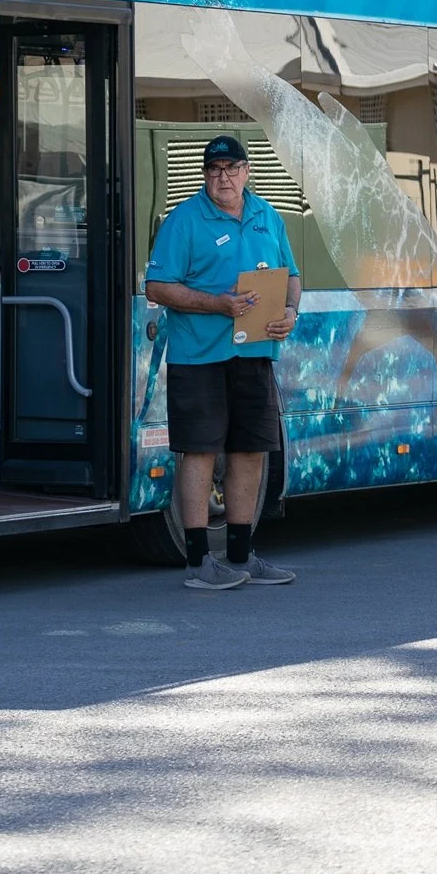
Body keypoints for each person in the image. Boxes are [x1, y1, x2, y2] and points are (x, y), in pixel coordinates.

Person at [145, 135, 301, 591]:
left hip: (254, 353)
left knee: (250, 451)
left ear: (247, 171)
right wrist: (218, 305)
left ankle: (240, 555)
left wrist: (291, 313)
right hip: (199, 356)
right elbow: (157, 287)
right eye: (214, 170)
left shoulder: (266, 215)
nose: (223, 177)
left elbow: (290, 275)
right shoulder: (184, 220)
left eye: (231, 168)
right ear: (205, 176)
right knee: (198, 452)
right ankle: (198, 562)